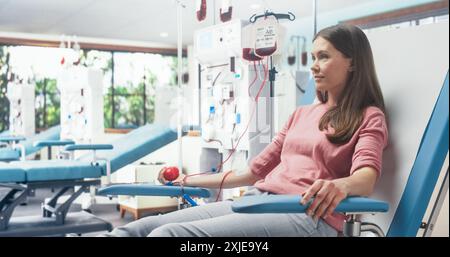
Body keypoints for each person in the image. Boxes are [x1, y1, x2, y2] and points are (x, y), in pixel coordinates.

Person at [103, 24, 388, 237]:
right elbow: (250, 174)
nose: (314, 66)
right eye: (312, 57)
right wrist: (188, 180)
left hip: (308, 217)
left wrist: (341, 185)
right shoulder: (301, 114)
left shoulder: (368, 116)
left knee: (168, 236)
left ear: (352, 62)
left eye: (323, 56)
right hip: (258, 201)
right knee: (132, 232)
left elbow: (366, 176)